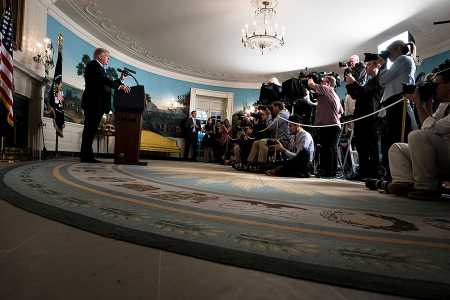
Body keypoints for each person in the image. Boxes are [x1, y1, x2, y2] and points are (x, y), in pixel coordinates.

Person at [387, 61, 450, 200]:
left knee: (416, 136)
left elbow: (433, 129)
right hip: (442, 154)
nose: (434, 89)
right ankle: (406, 182)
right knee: (397, 148)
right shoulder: (443, 106)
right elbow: (427, 130)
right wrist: (426, 105)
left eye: (436, 85)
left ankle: (426, 187)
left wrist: (418, 105)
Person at [80, 48, 130, 163]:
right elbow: (104, 80)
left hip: (97, 105)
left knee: (91, 130)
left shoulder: (100, 69)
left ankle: (86, 155)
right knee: (89, 130)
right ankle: (86, 156)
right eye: (107, 56)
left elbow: (105, 83)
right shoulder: (93, 65)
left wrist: (121, 79)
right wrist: (120, 86)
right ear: (100, 56)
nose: (108, 59)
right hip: (92, 104)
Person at [377, 40, 418, 179]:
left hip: (398, 104)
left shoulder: (403, 59)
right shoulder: (403, 61)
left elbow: (383, 80)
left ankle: (399, 176)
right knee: (390, 140)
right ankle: (393, 175)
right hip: (394, 104)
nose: (389, 55)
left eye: (390, 51)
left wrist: (383, 65)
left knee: (396, 140)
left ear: (399, 49)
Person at [346, 53, 384, 179]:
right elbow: (355, 95)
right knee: (361, 146)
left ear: (376, 65)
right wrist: (350, 84)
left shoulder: (379, 79)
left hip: (370, 117)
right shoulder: (369, 81)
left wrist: (354, 83)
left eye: (368, 64)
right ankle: (363, 171)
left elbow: (363, 92)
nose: (366, 67)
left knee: (371, 146)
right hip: (362, 117)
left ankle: (374, 172)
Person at [308, 76, 344, 177]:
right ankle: (330, 172)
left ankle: (327, 172)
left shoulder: (326, 89)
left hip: (328, 125)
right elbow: (341, 111)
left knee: (327, 149)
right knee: (330, 148)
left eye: (323, 81)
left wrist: (310, 77)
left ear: (328, 83)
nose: (321, 82)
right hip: (333, 125)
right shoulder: (335, 94)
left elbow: (311, 84)